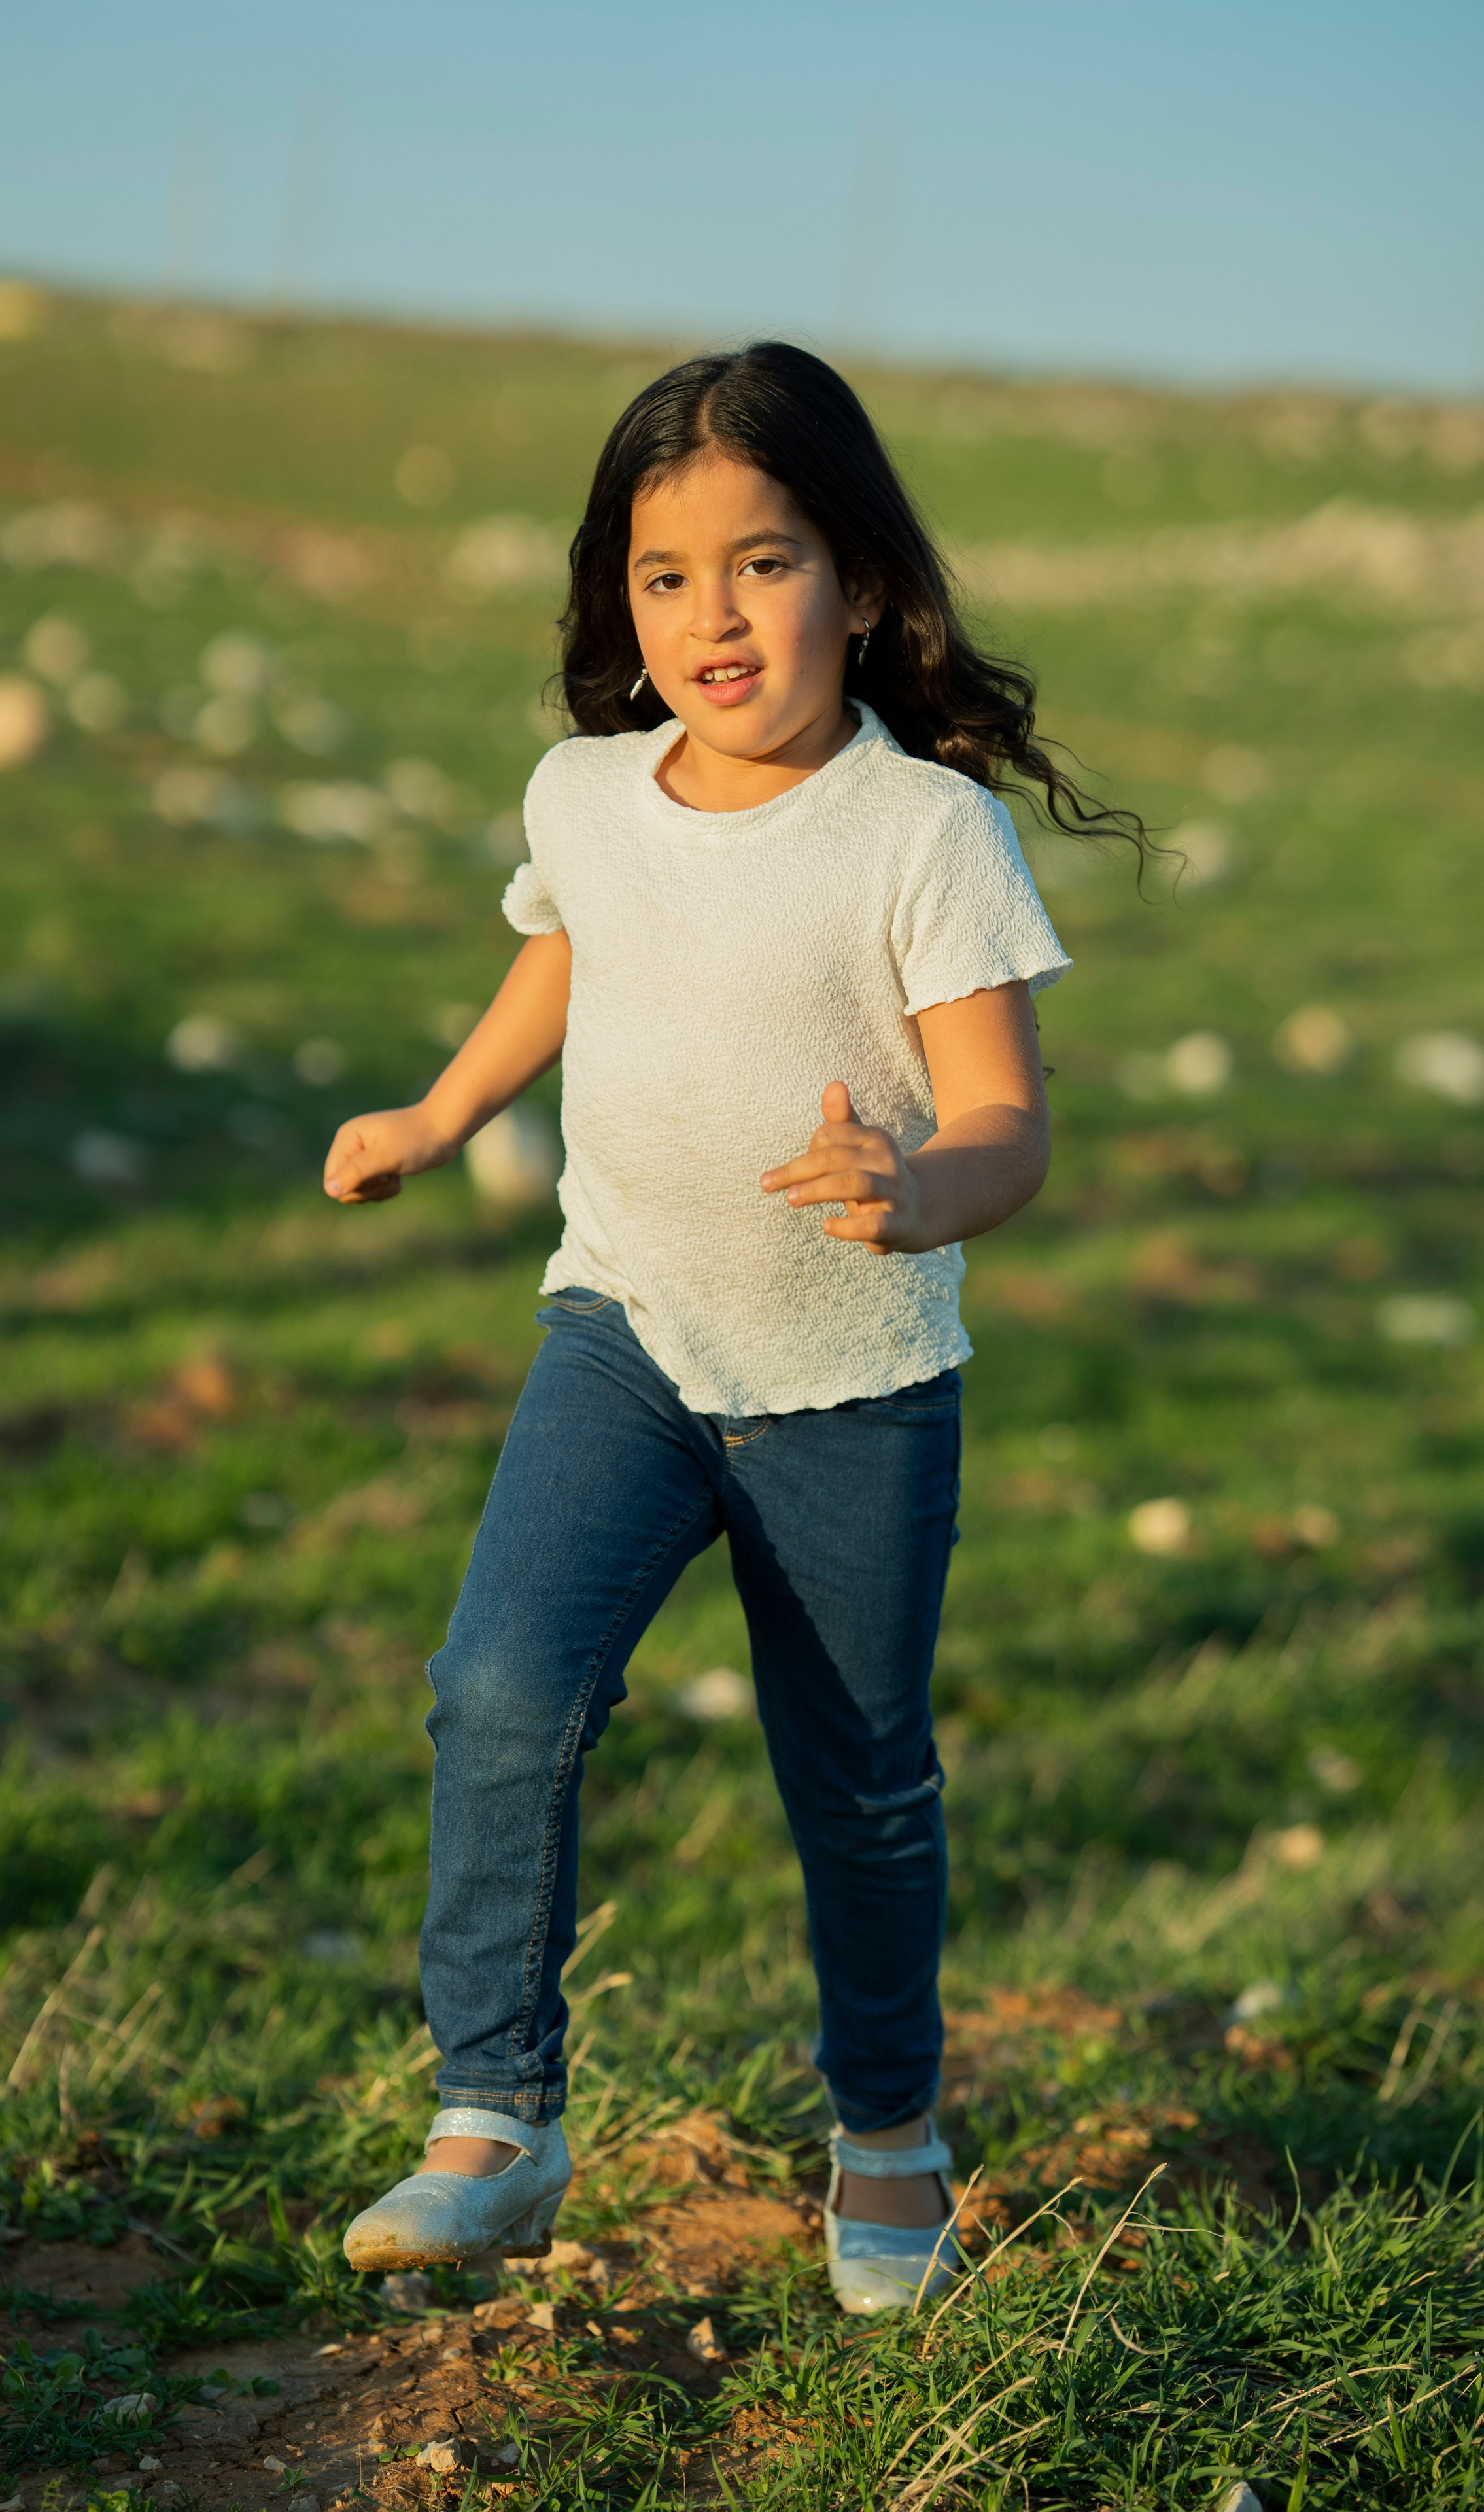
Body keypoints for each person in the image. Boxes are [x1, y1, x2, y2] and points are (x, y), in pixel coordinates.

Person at [322, 342, 1144, 2312]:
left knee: (857, 1782)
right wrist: (444, 1113)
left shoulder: (923, 834)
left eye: (764, 565)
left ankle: (888, 2139)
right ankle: (497, 2120)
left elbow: (1010, 1124)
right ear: (619, 594)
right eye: (665, 572)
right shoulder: (585, 795)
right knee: (503, 1689)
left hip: (856, 1380)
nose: (712, 615)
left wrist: (921, 1188)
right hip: (627, 1328)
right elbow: (566, 957)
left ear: (860, 583)